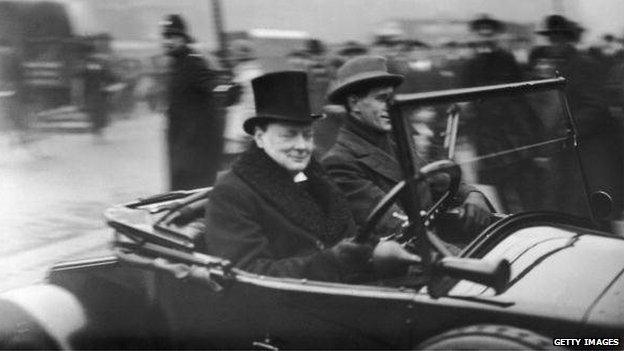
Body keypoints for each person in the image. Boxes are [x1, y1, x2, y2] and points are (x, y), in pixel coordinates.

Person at [203, 71, 373, 282]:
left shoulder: (317, 179)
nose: (302, 146)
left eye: (308, 135)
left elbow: (348, 234)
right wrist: (333, 261)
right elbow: (247, 274)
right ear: (259, 137)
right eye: (289, 135)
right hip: (290, 308)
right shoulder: (232, 194)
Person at [321, 56, 493, 239]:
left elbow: (437, 180)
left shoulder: (395, 141)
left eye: (392, 99)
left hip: (430, 245)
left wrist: (471, 194)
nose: (391, 107)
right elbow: (396, 228)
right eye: (381, 99)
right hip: (406, 256)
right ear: (354, 104)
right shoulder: (340, 161)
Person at [528, 15, 624, 221]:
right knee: (570, 207)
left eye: (559, 38)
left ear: (568, 39)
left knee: (595, 205)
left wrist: (569, 128)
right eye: (551, 39)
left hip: (590, 149)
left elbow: (597, 106)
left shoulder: (584, 64)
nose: (554, 44)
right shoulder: (553, 67)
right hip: (566, 151)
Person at [458, 14, 545, 213]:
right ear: (476, 37)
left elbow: (522, 98)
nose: (485, 39)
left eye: (489, 34)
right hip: (486, 140)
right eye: (481, 35)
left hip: (512, 137)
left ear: (495, 36)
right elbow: (465, 102)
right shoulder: (470, 65)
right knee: (500, 191)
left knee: (526, 190)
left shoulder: (507, 60)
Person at [161, 14, 223, 190]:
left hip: (195, 151)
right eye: (166, 37)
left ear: (183, 39)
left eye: (173, 37)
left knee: (192, 200)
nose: (168, 41)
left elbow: (216, 88)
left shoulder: (194, 63)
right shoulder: (175, 65)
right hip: (180, 148)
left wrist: (227, 88)